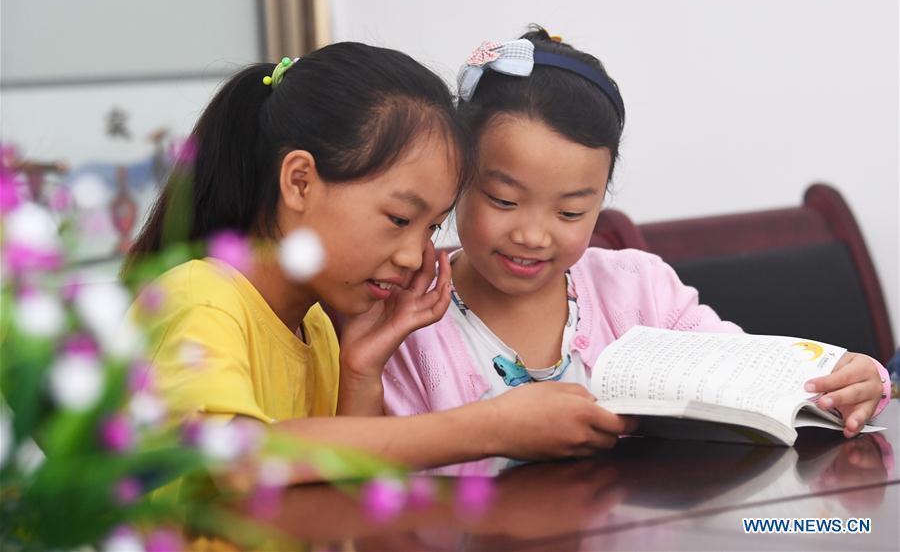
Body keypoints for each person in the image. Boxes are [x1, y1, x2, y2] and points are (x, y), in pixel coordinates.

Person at [125, 42, 632, 485]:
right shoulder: (200, 297)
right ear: (299, 181)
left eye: (431, 229)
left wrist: (360, 371)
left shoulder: (318, 328)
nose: (415, 255)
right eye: (398, 218)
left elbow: (340, 491)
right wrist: (490, 427)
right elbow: (236, 461)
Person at [383, 28, 891, 437]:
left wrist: (849, 381)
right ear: (458, 179)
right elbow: (387, 473)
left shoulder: (636, 287)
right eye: (505, 201)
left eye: (571, 212)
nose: (534, 235)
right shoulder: (409, 318)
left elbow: (747, 376)